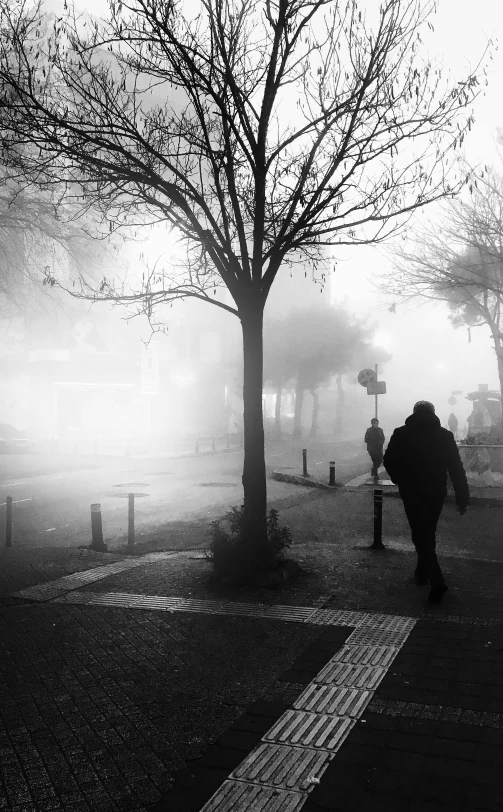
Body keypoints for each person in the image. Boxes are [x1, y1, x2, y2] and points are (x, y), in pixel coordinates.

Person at [383, 400, 469, 603]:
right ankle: (422, 572)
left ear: (414, 413)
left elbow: (388, 460)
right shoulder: (445, 435)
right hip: (436, 491)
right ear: (434, 413)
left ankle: (437, 580)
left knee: (419, 534)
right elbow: (456, 467)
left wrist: (400, 479)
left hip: (412, 491)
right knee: (428, 531)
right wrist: (462, 497)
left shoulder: (402, 433)